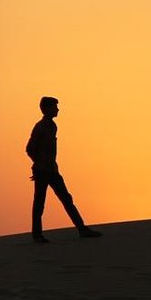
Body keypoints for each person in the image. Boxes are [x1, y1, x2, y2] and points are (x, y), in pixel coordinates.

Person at [26, 97, 102, 243]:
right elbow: (30, 149)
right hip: (43, 171)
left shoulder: (52, 126)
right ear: (47, 108)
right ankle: (37, 235)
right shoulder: (40, 127)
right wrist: (39, 165)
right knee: (39, 203)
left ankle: (82, 229)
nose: (57, 109)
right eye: (55, 107)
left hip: (52, 170)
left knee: (66, 199)